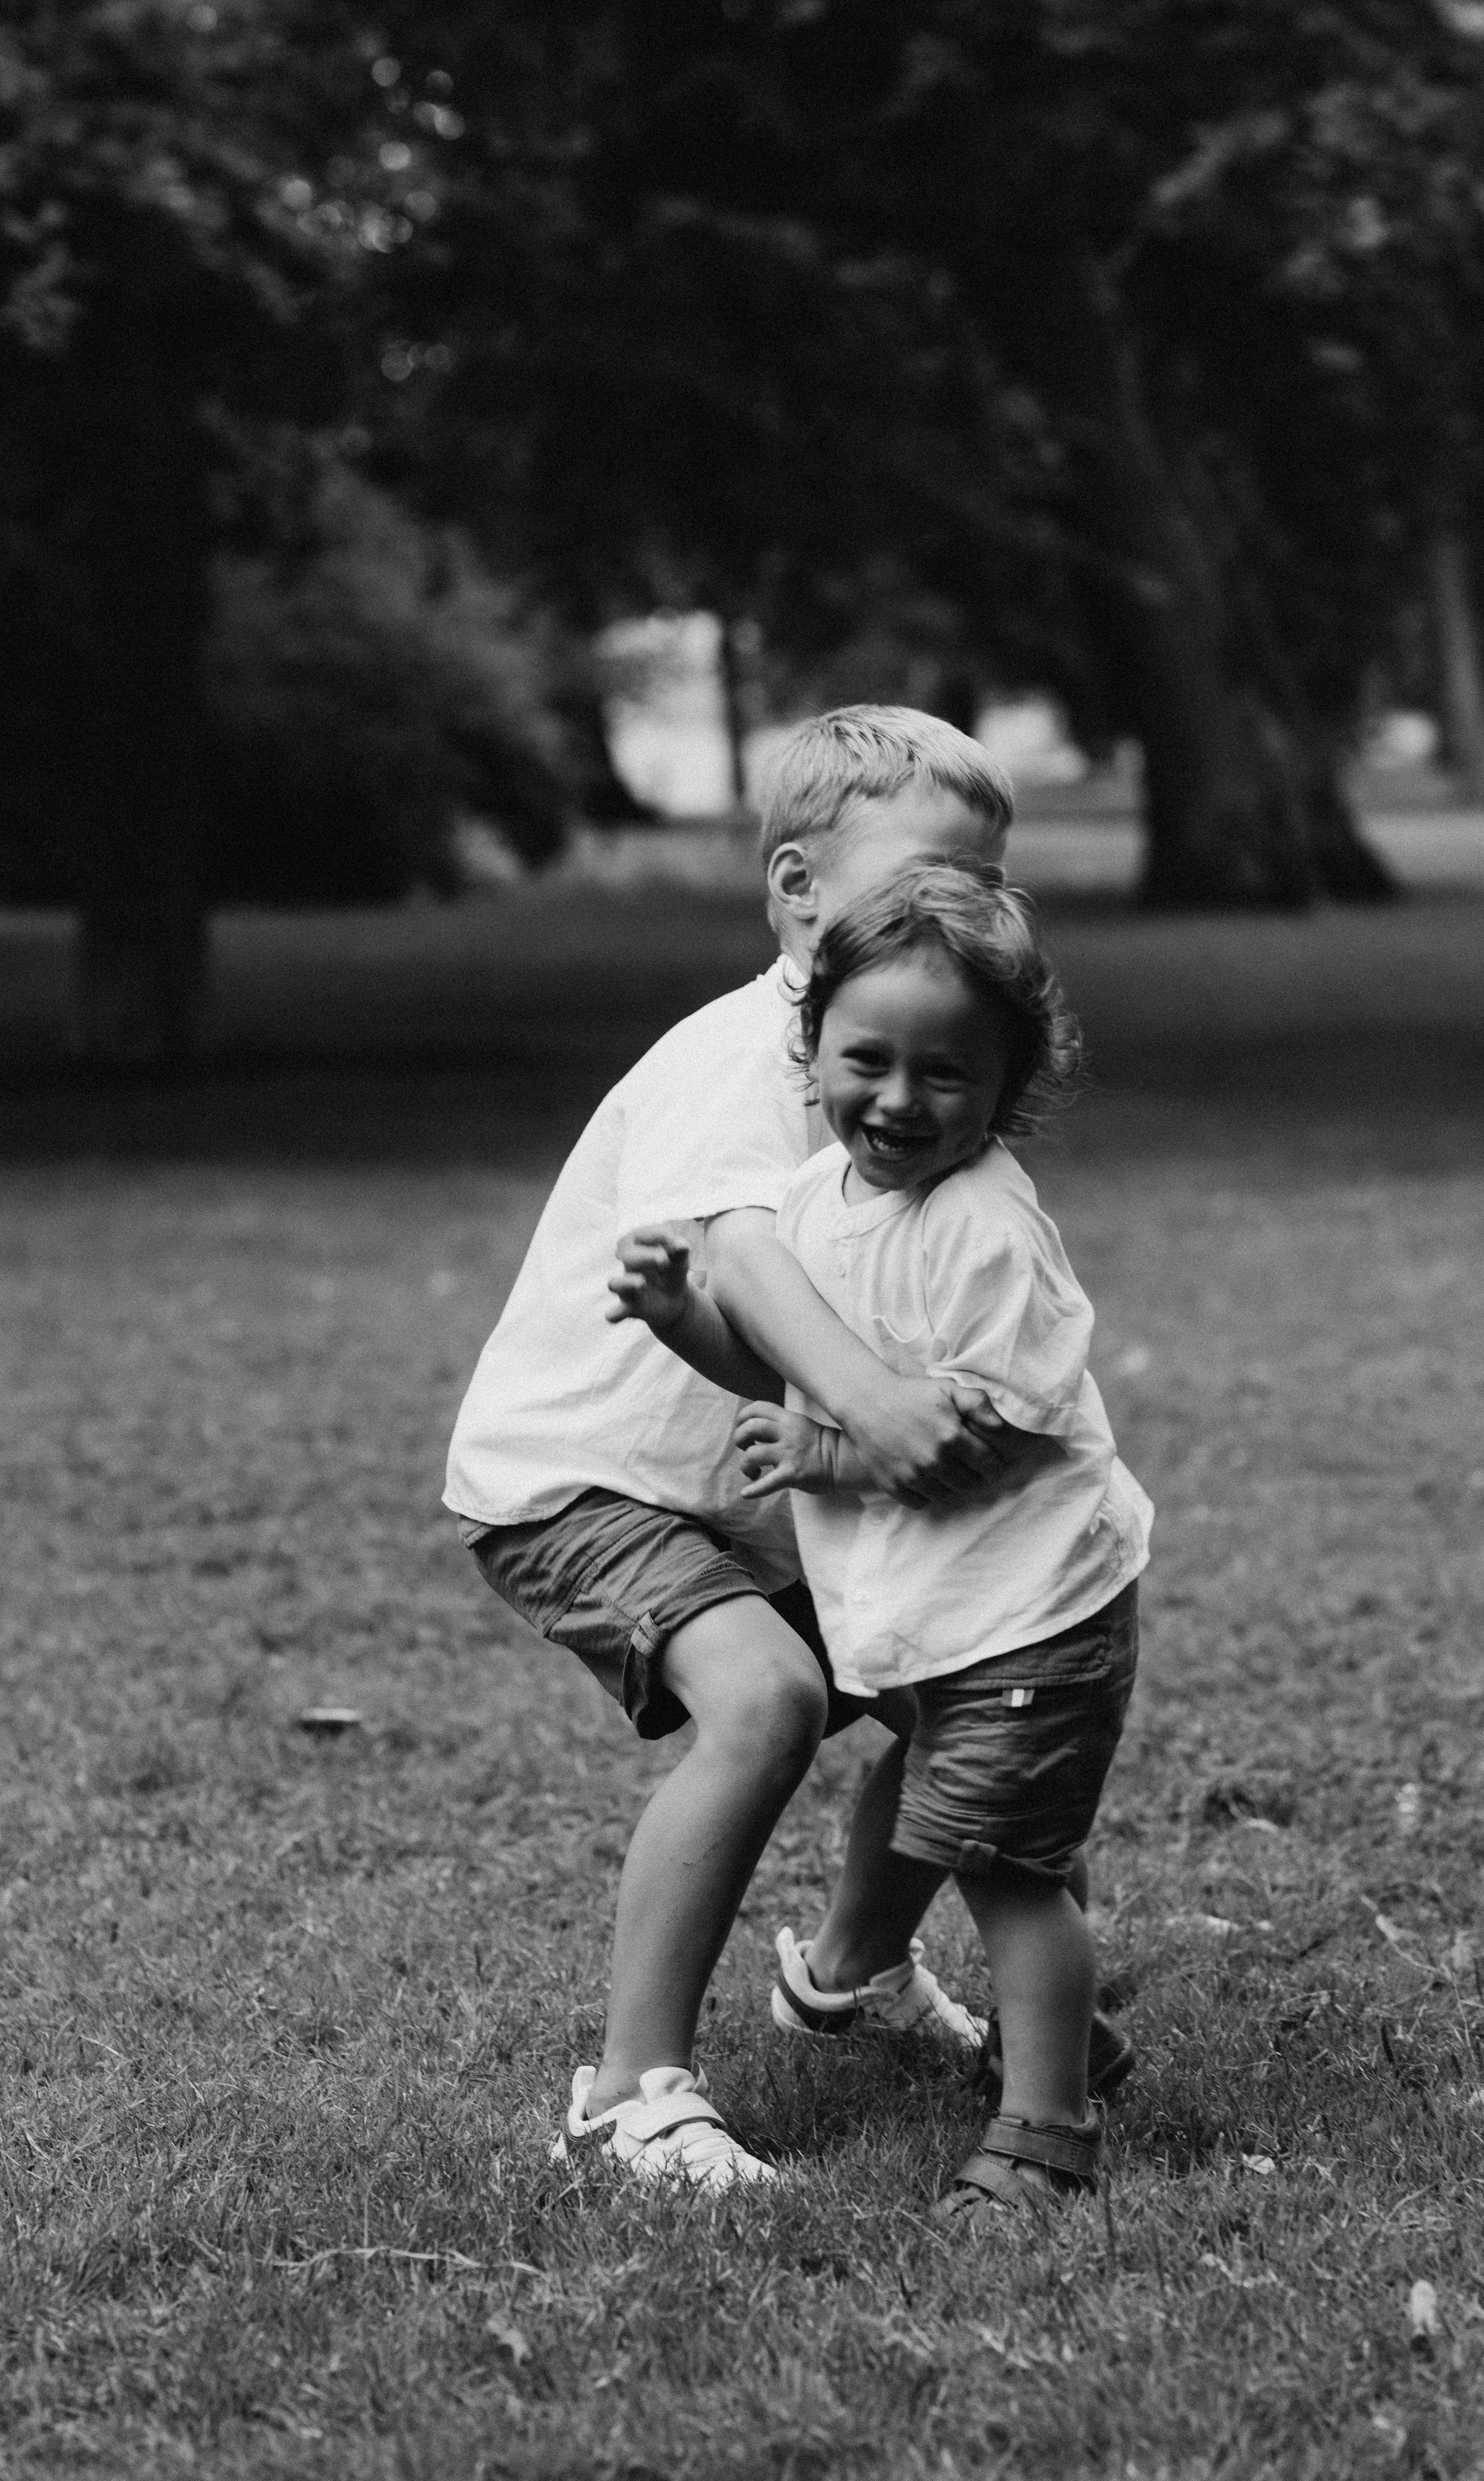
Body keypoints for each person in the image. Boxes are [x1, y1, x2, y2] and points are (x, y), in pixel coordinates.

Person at [443, 707, 1013, 2190]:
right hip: (579, 1480)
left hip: (761, 1484)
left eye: (983, 888)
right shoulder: (738, 1061)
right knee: (765, 1700)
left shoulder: (906, 1069)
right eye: (923, 882)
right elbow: (742, 1259)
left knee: (973, 1682)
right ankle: (626, 2096)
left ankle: (847, 1974)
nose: (957, 916)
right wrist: (872, 1404)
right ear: (796, 889)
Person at [619, 863, 1152, 2209]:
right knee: (989, 1848)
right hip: (952, 1612)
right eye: (868, 1060)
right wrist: (679, 1316)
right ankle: (1059, 2043)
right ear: (812, 1051)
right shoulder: (816, 1199)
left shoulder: (984, 1229)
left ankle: (1044, 2129)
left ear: (1006, 1086)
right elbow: (772, 1366)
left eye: (945, 1073)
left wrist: (827, 1454)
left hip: (1033, 1608)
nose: (900, 1100)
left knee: (1007, 1873)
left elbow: (996, 1427)